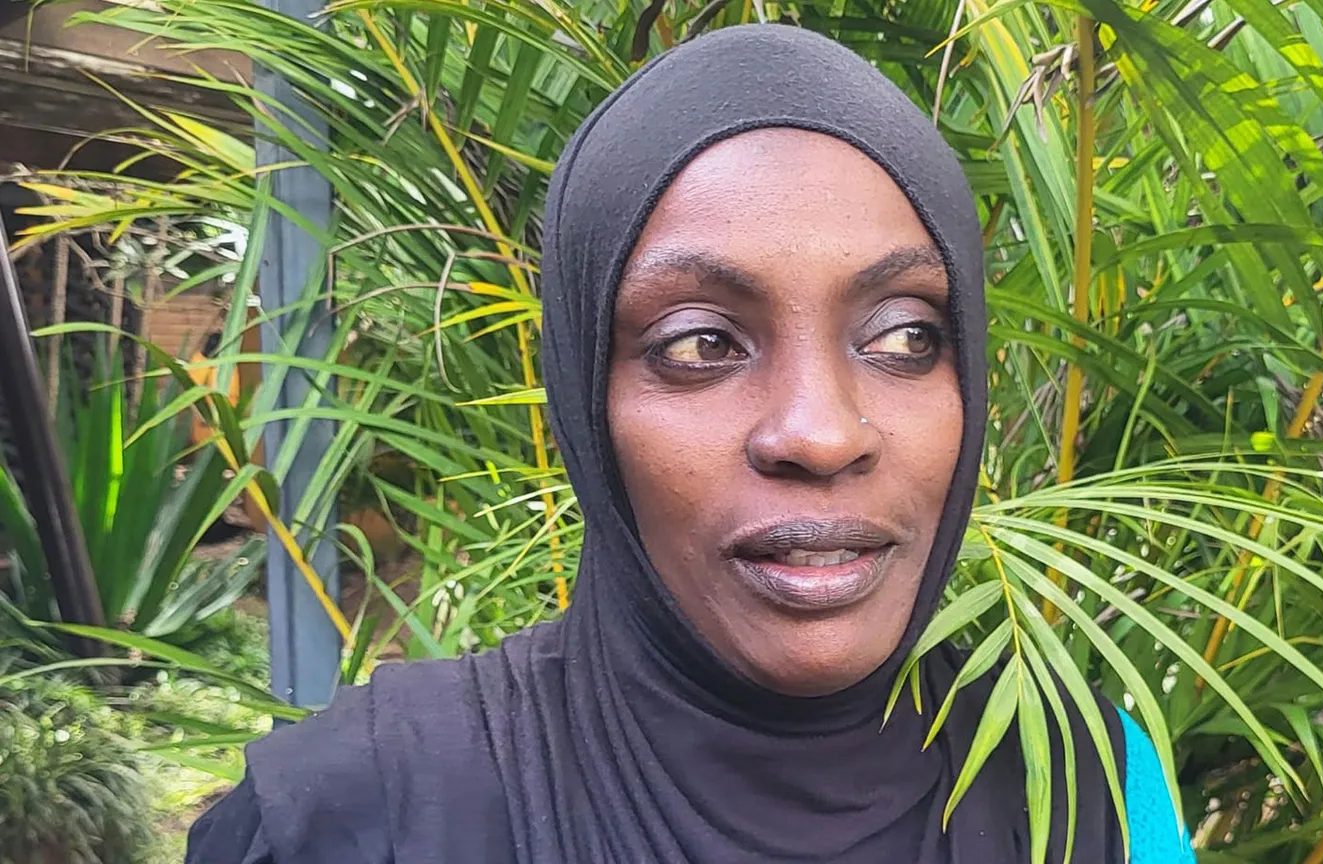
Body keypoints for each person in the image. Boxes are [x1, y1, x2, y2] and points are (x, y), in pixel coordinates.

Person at [186, 24, 1193, 863]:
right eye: (702, 343)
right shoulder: (350, 820)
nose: (821, 431)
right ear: (586, 397)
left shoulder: (1093, 789)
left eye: (902, 336)